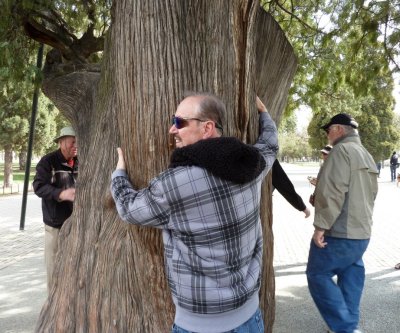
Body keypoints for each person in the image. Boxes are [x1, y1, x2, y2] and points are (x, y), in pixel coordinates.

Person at [110, 93, 278, 333]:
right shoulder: (252, 166)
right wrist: (265, 114)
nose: (172, 129)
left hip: (199, 326)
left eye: (179, 122)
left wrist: (118, 175)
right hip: (250, 318)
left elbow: (128, 208)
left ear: (207, 127)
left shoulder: (174, 184)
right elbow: (270, 144)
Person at [306, 113, 378, 333]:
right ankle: (350, 326)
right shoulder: (366, 155)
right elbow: (371, 193)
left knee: (317, 274)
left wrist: (320, 227)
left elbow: (333, 192)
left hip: (340, 232)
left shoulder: (341, 151)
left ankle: (345, 328)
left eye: (328, 130)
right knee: (351, 276)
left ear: (338, 129)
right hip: (361, 232)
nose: (327, 135)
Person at [33, 126, 78, 292]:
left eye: (78, 141)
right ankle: (53, 302)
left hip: (78, 224)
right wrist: (61, 193)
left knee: (74, 267)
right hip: (55, 225)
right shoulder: (48, 161)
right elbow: (38, 187)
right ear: (61, 142)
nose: (76, 144)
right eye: (73, 141)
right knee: (54, 267)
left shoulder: (81, 160)